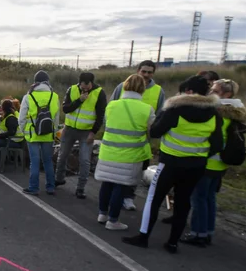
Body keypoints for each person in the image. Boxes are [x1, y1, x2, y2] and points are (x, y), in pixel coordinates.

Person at [123, 75, 223, 253]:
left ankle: (144, 237)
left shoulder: (175, 109)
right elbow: (216, 145)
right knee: (183, 203)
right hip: (196, 166)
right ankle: (173, 242)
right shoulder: (214, 113)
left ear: (189, 91)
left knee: (154, 200)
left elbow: (155, 131)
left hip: (169, 163)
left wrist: (162, 113)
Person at [182, 79, 246, 247]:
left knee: (199, 198)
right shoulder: (234, 112)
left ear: (227, 94)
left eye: (215, 91)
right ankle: (208, 230)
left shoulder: (218, 112)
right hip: (221, 164)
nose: (211, 93)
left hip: (209, 161)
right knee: (210, 198)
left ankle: (198, 233)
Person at [94, 74, 155, 230]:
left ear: (125, 87)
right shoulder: (147, 109)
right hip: (130, 154)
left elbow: (108, 124)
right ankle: (113, 220)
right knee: (120, 187)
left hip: (108, 151)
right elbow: (152, 131)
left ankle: (102, 213)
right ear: (143, 89)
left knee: (106, 184)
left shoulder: (112, 105)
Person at [111, 60, 166, 210]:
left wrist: (152, 133)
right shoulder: (121, 87)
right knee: (117, 168)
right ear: (138, 71)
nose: (146, 75)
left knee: (136, 170)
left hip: (141, 138)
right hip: (118, 136)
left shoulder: (158, 91)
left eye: (150, 72)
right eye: (144, 71)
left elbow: (161, 114)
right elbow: (110, 108)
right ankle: (114, 195)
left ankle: (128, 197)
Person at [55, 72, 106, 199]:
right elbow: (66, 109)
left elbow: (100, 116)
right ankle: (59, 178)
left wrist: (93, 132)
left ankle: (80, 188)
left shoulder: (99, 93)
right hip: (70, 129)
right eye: (82, 86)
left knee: (84, 160)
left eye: (87, 87)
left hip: (86, 132)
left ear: (91, 83)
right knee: (62, 155)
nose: (84, 89)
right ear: (79, 83)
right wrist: (79, 100)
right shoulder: (71, 90)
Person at [20, 70, 60, 195]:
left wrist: (24, 131)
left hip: (32, 135)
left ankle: (34, 187)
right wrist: (54, 132)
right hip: (48, 134)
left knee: (35, 161)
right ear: (48, 82)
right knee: (47, 160)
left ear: (35, 82)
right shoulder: (55, 96)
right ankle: (50, 187)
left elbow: (21, 118)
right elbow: (56, 118)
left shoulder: (28, 97)